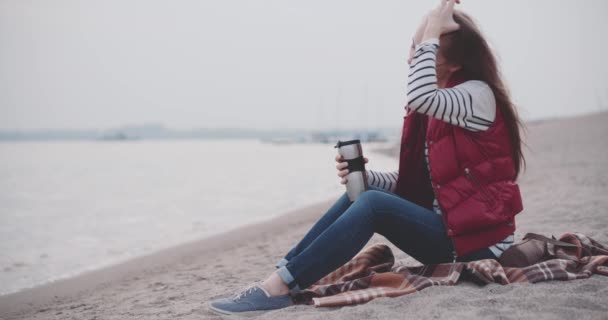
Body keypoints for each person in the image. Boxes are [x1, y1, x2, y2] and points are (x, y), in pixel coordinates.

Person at [208, 0, 525, 315]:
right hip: (453, 229)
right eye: (414, 44)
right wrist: (368, 179)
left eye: (425, 46)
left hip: (477, 245)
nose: (413, 55)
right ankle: (280, 279)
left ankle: (279, 287)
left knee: (373, 205)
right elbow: (425, 189)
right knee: (363, 194)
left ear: (453, 63)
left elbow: (418, 94)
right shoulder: (440, 106)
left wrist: (432, 28)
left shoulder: (475, 96)